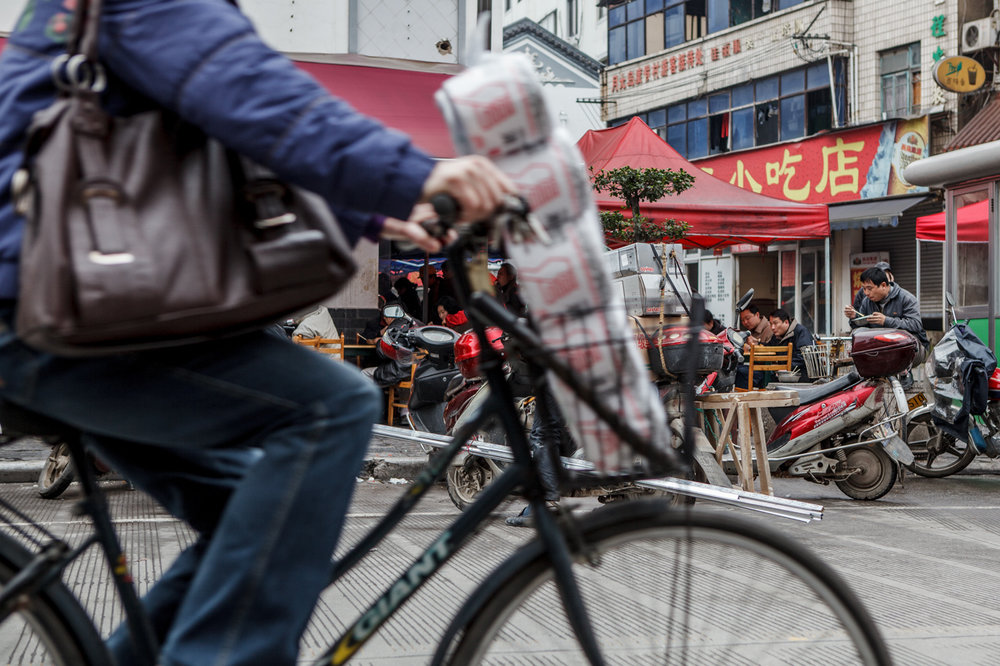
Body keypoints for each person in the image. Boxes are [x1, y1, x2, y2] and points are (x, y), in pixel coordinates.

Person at [0, 4, 516, 665]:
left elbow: (215, 145)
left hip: (58, 301)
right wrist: (415, 171)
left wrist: (374, 208)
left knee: (247, 512)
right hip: (48, 309)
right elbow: (253, 94)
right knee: (333, 407)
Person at [844, 265, 929, 365]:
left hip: (909, 348)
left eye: (869, 288)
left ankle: (904, 374)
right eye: (863, 289)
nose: (866, 293)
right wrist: (854, 317)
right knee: (856, 334)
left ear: (883, 285)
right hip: (880, 347)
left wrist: (885, 321)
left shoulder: (906, 298)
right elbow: (862, 327)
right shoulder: (867, 302)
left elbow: (916, 324)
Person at [767, 308, 815, 377]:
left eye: (775, 323)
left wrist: (786, 368)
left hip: (801, 375)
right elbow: (769, 348)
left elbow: (804, 356)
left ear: (786, 322)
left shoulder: (801, 332)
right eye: (771, 324)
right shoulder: (777, 336)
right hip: (783, 373)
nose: (772, 327)